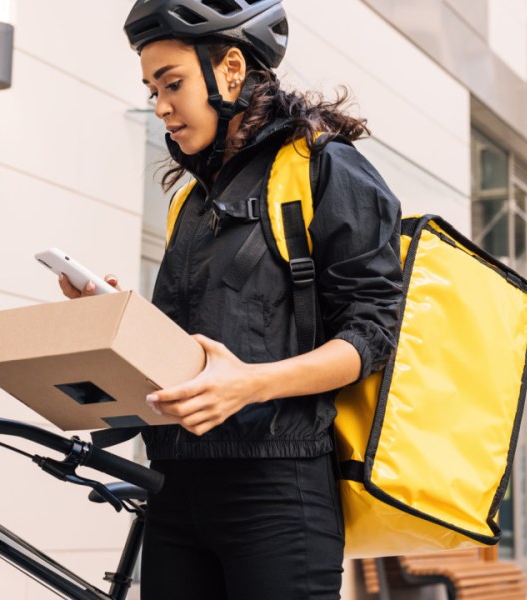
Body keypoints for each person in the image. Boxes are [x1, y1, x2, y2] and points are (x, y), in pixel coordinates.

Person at [59, 1, 403, 598]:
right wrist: (115, 316)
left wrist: (251, 383)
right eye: (151, 89)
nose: (161, 105)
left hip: (275, 489)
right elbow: (188, 346)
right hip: (173, 483)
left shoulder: (321, 167)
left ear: (233, 70)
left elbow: (373, 335)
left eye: (173, 83)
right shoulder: (189, 202)